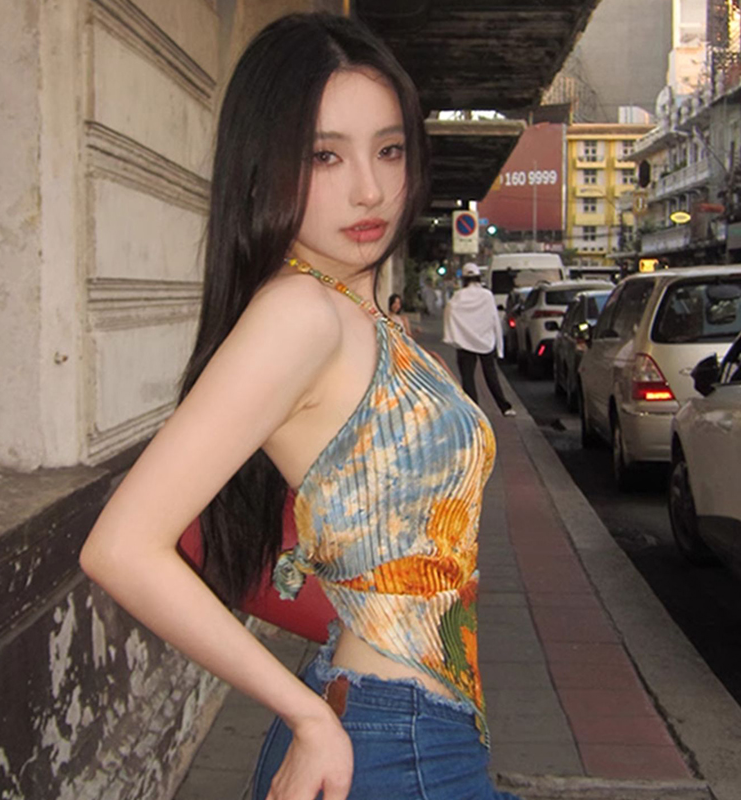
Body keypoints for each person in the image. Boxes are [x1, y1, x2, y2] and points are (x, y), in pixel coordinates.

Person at [80, 13, 520, 800]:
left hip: (413, 728)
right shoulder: (300, 315)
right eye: (325, 155)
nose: (370, 188)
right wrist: (308, 718)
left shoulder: (355, 312)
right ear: (265, 168)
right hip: (391, 744)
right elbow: (120, 547)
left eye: (389, 150)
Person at [443, 263, 517, 417]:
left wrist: (453, 335)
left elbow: (449, 311)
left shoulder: (458, 296)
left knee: (468, 378)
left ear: (464, 279)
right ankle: (504, 407)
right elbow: (495, 320)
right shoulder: (487, 295)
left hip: (464, 342)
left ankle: (473, 410)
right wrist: (500, 348)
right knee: (491, 375)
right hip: (485, 342)